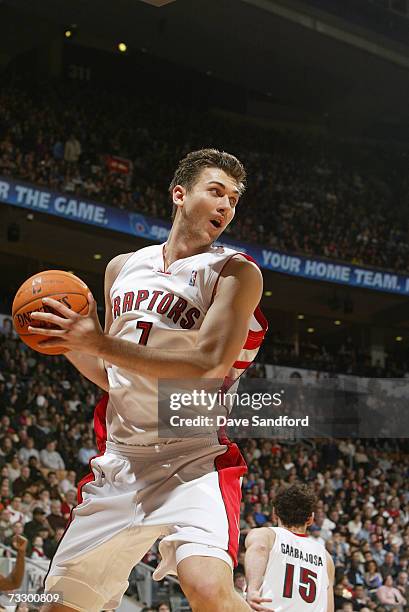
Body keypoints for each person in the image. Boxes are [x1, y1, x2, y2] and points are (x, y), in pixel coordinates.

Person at [30, 149, 267, 612]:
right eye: (215, 192)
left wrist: (95, 342)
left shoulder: (236, 272)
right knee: (61, 606)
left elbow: (209, 364)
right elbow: (114, 374)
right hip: (120, 464)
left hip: (193, 458)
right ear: (179, 195)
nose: (226, 206)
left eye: (234, 200)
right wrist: (69, 343)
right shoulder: (121, 268)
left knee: (207, 587)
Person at [244, 484, 335, 611]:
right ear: (310, 519)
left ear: (275, 513)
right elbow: (328, 607)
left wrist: (252, 589)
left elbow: (260, 548)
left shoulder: (266, 535)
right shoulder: (326, 557)